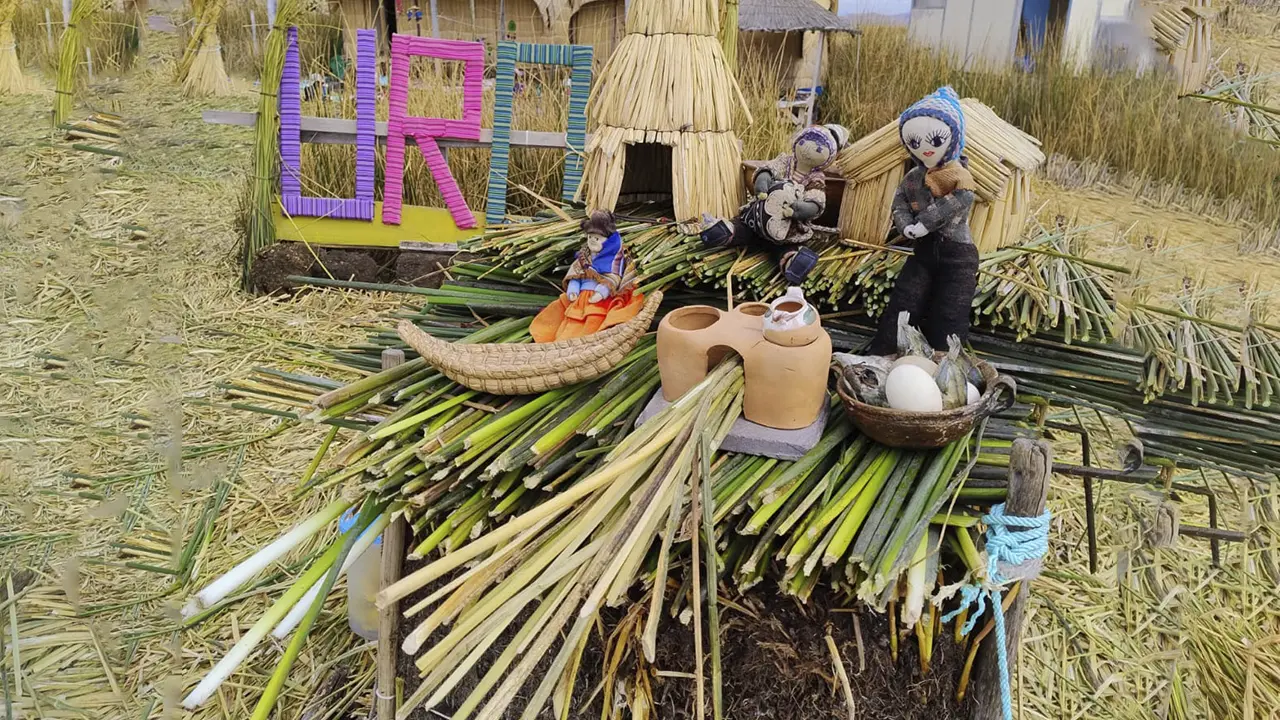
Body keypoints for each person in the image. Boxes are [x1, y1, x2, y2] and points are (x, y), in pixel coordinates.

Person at [868, 86, 979, 355]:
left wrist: (925, 223)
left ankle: (946, 360)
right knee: (905, 298)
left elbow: (958, 201)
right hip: (923, 252)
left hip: (958, 254)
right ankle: (884, 352)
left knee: (951, 311)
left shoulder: (960, 176)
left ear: (953, 139)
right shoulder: (913, 178)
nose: (925, 149)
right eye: (915, 143)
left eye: (935, 141)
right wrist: (904, 224)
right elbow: (899, 203)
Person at [700, 123, 849, 285]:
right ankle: (722, 232)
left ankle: (793, 262)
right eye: (804, 142)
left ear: (828, 157)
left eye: (819, 149)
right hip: (757, 217)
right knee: (743, 227)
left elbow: (816, 201)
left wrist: (801, 209)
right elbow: (769, 168)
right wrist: (762, 180)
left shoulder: (816, 179)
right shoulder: (784, 161)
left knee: (784, 247)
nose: (807, 150)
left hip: (787, 230)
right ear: (797, 142)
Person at [530, 211, 646, 343]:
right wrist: (573, 288)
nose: (592, 241)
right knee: (570, 320)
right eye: (590, 237)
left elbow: (613, 279)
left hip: (599, 300)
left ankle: (587, 342)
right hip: (580, 298)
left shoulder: (613, 260)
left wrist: (601, 292)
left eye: (597, 238)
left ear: (609, 241)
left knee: (593, 318)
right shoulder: (583, 257)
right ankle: (563, 341)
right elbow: (576, 274)